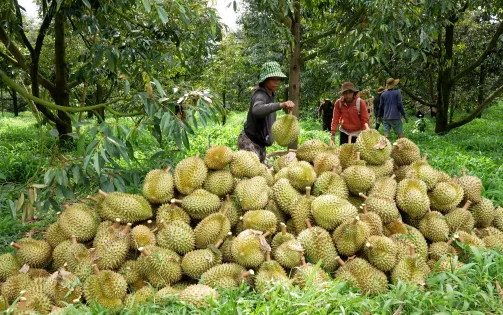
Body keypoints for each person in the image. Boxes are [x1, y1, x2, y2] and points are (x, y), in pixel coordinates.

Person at [238, 61, 295, 162]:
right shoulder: (260, 94)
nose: (277, 82)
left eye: (278, 79)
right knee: (250, 175)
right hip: (249, 142)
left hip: (260, 144)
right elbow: (257, 110)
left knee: (260, 175)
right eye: (273, 79)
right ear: (265, 80)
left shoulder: (270, 94)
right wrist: (281, 105)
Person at [330, 82, 370, 146]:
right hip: (344, 132)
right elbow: (335, 118)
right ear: (342, 94)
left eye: (350, 92)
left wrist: (365, 134)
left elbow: (365, 120)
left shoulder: (360, 102)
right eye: (345, 93)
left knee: (357, 154)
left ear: (353, 93)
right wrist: (333, 134)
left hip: (357, 132)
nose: (348, 95)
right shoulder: (339, 103)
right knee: (343, 152)